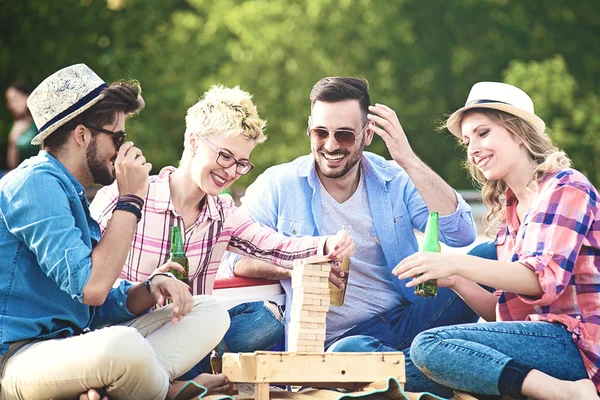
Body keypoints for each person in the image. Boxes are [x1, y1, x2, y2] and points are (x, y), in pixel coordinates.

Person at [0, 63, 234, 400]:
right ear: (82, 135)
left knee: (209, 311)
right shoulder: (35, 184)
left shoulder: (72, 192)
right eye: (117, 138)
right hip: (20, 359)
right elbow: (91, 288)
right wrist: (131, 199)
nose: (123, 150)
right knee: (123, 346)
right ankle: (165, 390)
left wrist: (150, 287)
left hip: (74, 347)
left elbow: (95, 305)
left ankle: (122, 386)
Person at [89, 85, 355, 380]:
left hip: (184, 340)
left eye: (241, 164)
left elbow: (275, 246)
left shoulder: (223, 213)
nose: (230, 171)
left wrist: (327, 244)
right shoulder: (130, 195)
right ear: (193, 142)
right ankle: (161, 380)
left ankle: (170, 379)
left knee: (263, 320)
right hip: (122, 333)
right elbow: (87, 277)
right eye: (225, 156)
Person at [220, 77, 479, 369]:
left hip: (405, 322)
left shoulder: (395, 179)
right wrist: (297, 265)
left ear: (368, 134)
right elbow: (233, 259)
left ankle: (416, 364)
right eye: (321, 133)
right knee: (350, 350)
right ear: (309, 129)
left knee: (486, 257)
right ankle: (434, 364)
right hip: (332, 344)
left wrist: (409, 161)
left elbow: (461, 234)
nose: (330, 146)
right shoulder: (279, 184)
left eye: (344, 135)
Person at [394, 81, 600, 399]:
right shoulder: (511, 212)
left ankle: (568, 394)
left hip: (576, 346)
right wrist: (457, 280)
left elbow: (539, 280)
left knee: (429, 346)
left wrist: (455, 260)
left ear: (517, 133)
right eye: (467, 141)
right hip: (540, 341)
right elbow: (506, 316)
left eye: (483, 133)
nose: (472, 149)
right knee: (403, 369)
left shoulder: (567, 188)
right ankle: (535, 389)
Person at [4, 82, 40, 170]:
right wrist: (13, 141)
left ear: (27, 96)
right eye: (9, 101)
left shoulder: (39, 122)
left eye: (15, 99)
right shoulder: (15, 126)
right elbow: (11, 165)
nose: (11, 105)